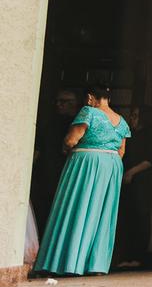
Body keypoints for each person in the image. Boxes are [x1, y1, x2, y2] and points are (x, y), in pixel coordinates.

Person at [34, 81, 130, 276]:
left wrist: (67, 149)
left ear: (88, 97)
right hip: (111, 166)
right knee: (103, 213)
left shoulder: (89, 112)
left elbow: (71, 140)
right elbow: (121, 150)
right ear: (108, 97)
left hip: (87, 163)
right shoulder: (122, 120)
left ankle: (70, 263)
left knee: (77, 207)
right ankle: (96, 265)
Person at [115, 104, 152, 269]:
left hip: (144, 181)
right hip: (128, 181)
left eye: (135, 115)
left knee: (142, 217)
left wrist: (131, 172)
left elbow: (150, 159)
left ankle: (138, 257)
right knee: (128, 218)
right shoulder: (130, 136)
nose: (131, 118)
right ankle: (126, 256)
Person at [30, 88, 81, 237]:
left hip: (70, 175)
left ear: (74, 103)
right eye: (57, 101)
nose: (58, 104)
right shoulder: (48, 126)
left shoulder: (80, 125)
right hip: (47, 176)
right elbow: (37, 150)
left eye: (63, 101)